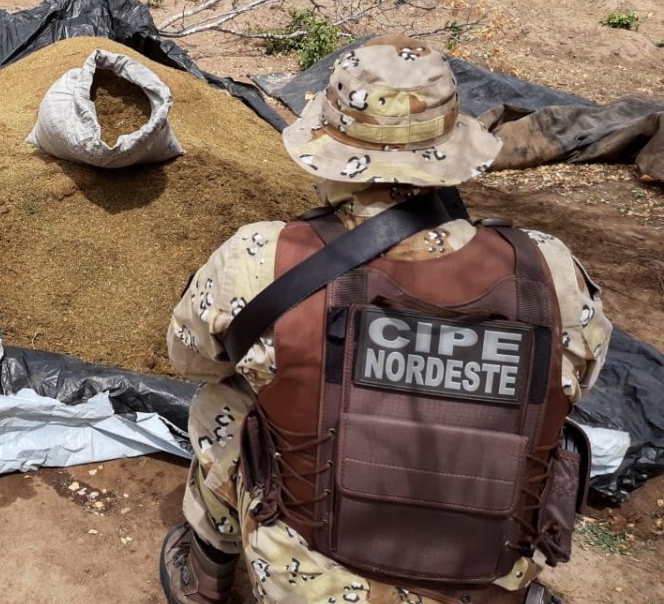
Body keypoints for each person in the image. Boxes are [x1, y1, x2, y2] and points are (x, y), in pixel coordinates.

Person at [160, 36, 612, 604]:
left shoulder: (259, 258)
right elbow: (580, 383)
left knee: (226, 399)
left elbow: (190, 357)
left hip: (315, 579)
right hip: (487, 577)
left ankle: (205, 577)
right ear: (451, 147)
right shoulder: (548, 269)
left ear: (328, 147)